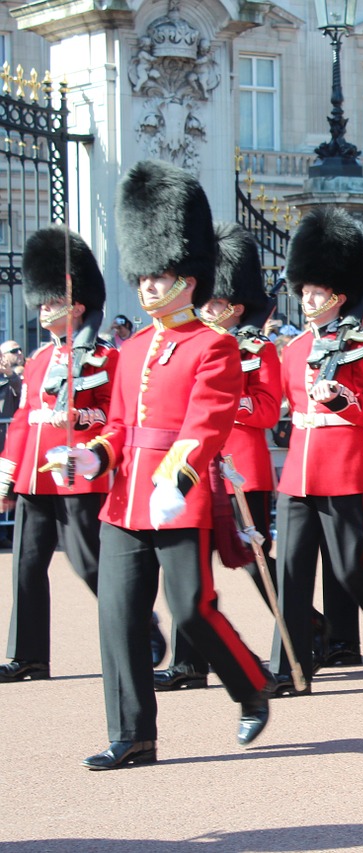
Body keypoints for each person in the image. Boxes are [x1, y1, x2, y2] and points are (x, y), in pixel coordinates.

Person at [53, 159, 270, 768]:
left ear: (189, 279)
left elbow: (208, 422)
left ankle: (250, 684)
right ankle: (133, 735)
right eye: (144, 277)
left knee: (191, 609)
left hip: (180, 490)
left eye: (162, 276)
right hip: (125, 499)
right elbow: (120, 425)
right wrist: (91, 455)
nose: (149, 287)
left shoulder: (215, 344)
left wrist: (177, 474)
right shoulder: (131, 350)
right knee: (118, 614)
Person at [268, 207, 363, 697]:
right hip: (299, 469)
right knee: (291, 569)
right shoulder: (291, 349)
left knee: (350, 566)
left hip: (343, 464)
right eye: (303, 291)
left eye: (317, 292)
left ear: (339, 296)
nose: (307, 300)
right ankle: (289, 666)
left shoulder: (361, 348)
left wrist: (341, 399)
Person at [154, 221, 283, 691]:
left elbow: (267, 411)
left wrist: (228, 401)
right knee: (194, 573)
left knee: (254, 565)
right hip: (199, 470)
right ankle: (190, 662)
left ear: (235, 307)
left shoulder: (258, 349)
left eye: (216, 303)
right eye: (206, 302)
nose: (208, 310)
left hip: (242, 471)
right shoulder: (194, 348)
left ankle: (302, 629)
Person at [0, 227, 115, 683]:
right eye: (43, 302)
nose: (44, 309)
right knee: (26, 564)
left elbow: (111, 414)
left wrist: (82, 424)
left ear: (77, 305)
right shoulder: (36, 360)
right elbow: (26, 418)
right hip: (34, 475)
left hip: (75, 470)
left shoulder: (104, 357)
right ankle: (28, 654)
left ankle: (140, 626)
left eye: (52, 301)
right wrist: (8, 474)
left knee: (88, 562)